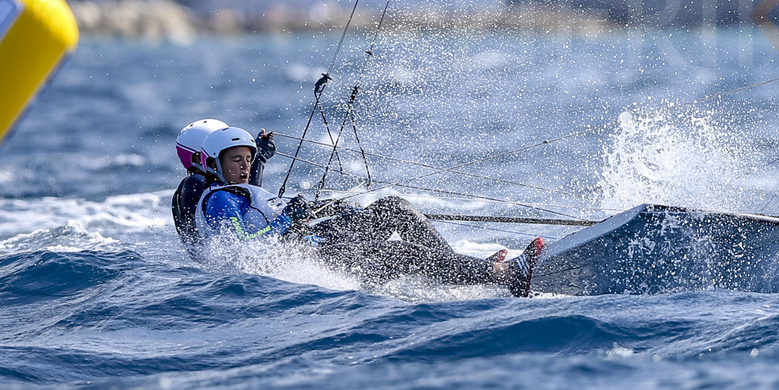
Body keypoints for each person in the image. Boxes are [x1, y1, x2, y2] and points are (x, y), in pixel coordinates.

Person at [191, 126, 544, 294]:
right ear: (214, 164)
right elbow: (244, 247)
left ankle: (466, 271)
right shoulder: (220, 201)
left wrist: (315, 213)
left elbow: (260, 199)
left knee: (392, 208)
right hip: (304, 256)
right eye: (235, 161)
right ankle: (505, 275)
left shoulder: (241, 189)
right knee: (394, 252)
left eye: (247, 160)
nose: (244, 167)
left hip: (317, 239)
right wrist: (289, 219)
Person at [171, 119, 274, 251]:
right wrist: (260, 158)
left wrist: (258, 155)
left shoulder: (199, 185)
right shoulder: (195, 183)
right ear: (200, 158)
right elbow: (245, 200)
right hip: (227, 256)